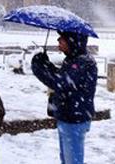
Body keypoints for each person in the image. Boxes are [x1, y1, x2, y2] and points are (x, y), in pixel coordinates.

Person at [31, 31, 98, 164]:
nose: (58, 40)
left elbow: (60, 82)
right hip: (67, 117)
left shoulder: (82, 62)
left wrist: (39, 67)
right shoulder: (73, 59)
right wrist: (45, 64)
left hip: (74, 120)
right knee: (67, 159)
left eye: (62, 38)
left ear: (72, 41)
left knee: (72, 161)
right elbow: (61, 77)